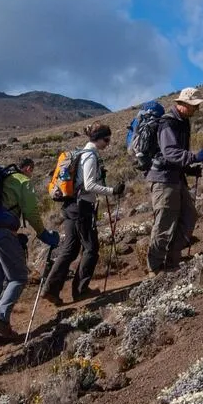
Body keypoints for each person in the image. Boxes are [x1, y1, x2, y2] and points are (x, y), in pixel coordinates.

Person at [0, 158, 59, 349]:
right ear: (28, 168)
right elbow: (31, 211)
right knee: (18, 277)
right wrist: (43, 234)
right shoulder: (22, 181)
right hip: (2, 234)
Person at [42, 123, 123, 305]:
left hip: (71, 206)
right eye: (106, 140)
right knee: (91, 248)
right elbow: (89, 186)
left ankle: (51, 289)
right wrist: (112, 190)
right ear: (99, 138)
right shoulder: (90, 156)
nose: (108, 144)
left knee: (70, 249)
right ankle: (80, 290)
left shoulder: (81, 154)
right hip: (82, 207)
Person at [146, 87, 203, 274]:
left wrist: (189, 169)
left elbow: (174, 155)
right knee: (165, 223)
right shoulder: (168, 123)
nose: (196, 110)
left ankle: (172, 260)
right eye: (193, 106)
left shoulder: (183, 122)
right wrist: (193, 157)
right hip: (163, 179)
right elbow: (170, 152)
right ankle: (155, 268)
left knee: (188, 217)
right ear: (182, 104)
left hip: (176, 178)